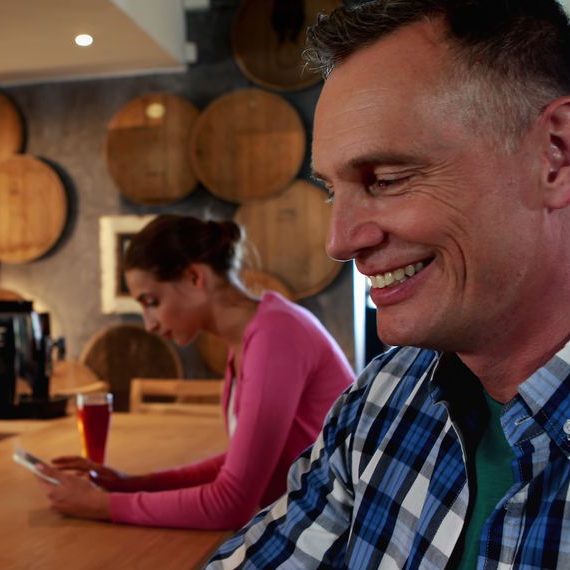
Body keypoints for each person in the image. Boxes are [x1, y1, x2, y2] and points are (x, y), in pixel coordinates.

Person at [208, 0, 570, 568]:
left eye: (386, 179)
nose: (339, 241)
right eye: (331, 190)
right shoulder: (381, 400)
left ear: (557, 155)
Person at [36, 214, 356, 530]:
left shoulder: (277, 333)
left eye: (151, 301)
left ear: (194, 277)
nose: (150, 324)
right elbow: (239, 465)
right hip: (308, 522)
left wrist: (100, 505)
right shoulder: (251, 336)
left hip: (336, 537)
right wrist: (130, 484)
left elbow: (230, 504)